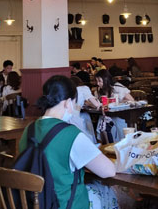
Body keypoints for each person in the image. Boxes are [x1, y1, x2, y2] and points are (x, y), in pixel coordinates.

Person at [19, 75, 117, 208]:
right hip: (64, 204)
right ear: (67, 102)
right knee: (110, 192)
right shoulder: (71, 134)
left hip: (35, 202)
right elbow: (108, 171)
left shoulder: (28, 130)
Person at [69, 76, 100, 143]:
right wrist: (99, 105)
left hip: (67, 116)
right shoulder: (83, 88)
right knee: (85, 137)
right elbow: (95, 104)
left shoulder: (69, 90)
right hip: (76, 115)